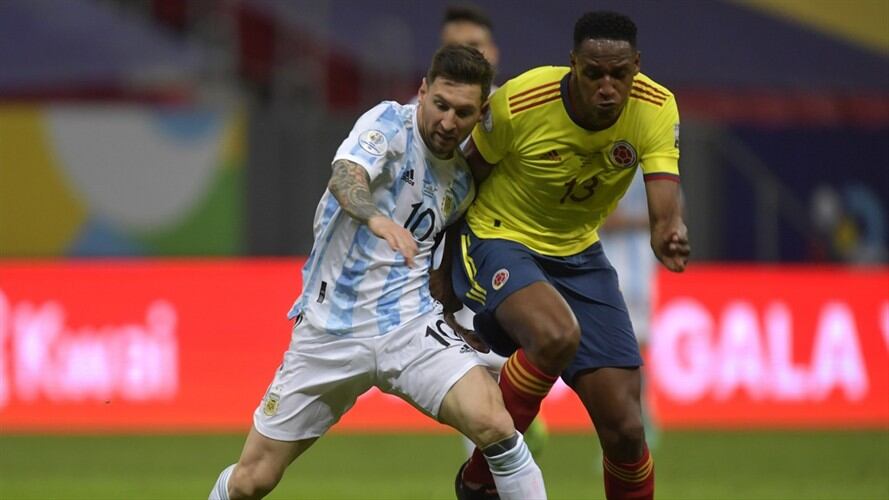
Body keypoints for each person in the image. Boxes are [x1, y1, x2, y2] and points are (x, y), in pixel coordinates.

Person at [208, 45, 547, 500]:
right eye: (440, 105)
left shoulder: (463, 182)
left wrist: (452, 317)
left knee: (497, 426)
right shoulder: (389, 122)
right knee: (254, 480)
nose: (448, 122)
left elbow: (444, 260)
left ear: (481, 112)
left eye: (463, 112)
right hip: (330, 331)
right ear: (423, 92)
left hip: (409, 327)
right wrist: (375, 218)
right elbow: (347, 176)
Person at [440, 11, 691, 500]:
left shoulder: (657, 108)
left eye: (619, 74)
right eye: (593, 73)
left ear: (636, 67)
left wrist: (668, 233)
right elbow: (461, 181)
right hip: (499, 235)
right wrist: (442, 268)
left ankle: (481, 467)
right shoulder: (521, 101)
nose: (606, 87)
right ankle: (481, 476)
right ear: (572, 64)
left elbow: (665, 207)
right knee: (556, 335)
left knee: (625, 429)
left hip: (578, 251)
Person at [428, 3, 550, 459]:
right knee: (469, 369)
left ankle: (514, 423)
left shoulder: (517, 112)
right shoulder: (430, 114)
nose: (464, 55)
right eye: (452, 48)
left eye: (473, 46)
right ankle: (494, 458)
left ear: (493, 52)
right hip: (451, 260)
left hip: (511, 254)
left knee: (510, 362)